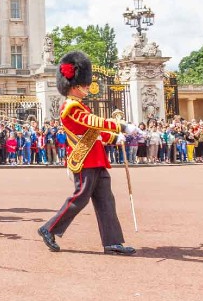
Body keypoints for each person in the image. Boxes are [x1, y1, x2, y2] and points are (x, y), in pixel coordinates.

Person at [38, 51, 137, 256]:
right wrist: (120, 125)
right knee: (80, 198)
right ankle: (49, 228)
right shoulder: (70, 107)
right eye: (84, 85)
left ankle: (112, 242)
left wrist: (114, 138)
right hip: (83, 159)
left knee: (106, 200)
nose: (87, 88)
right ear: (74, 86)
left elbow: (94, 132)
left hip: (96, 158)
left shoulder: (80, 105)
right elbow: (94, 123)